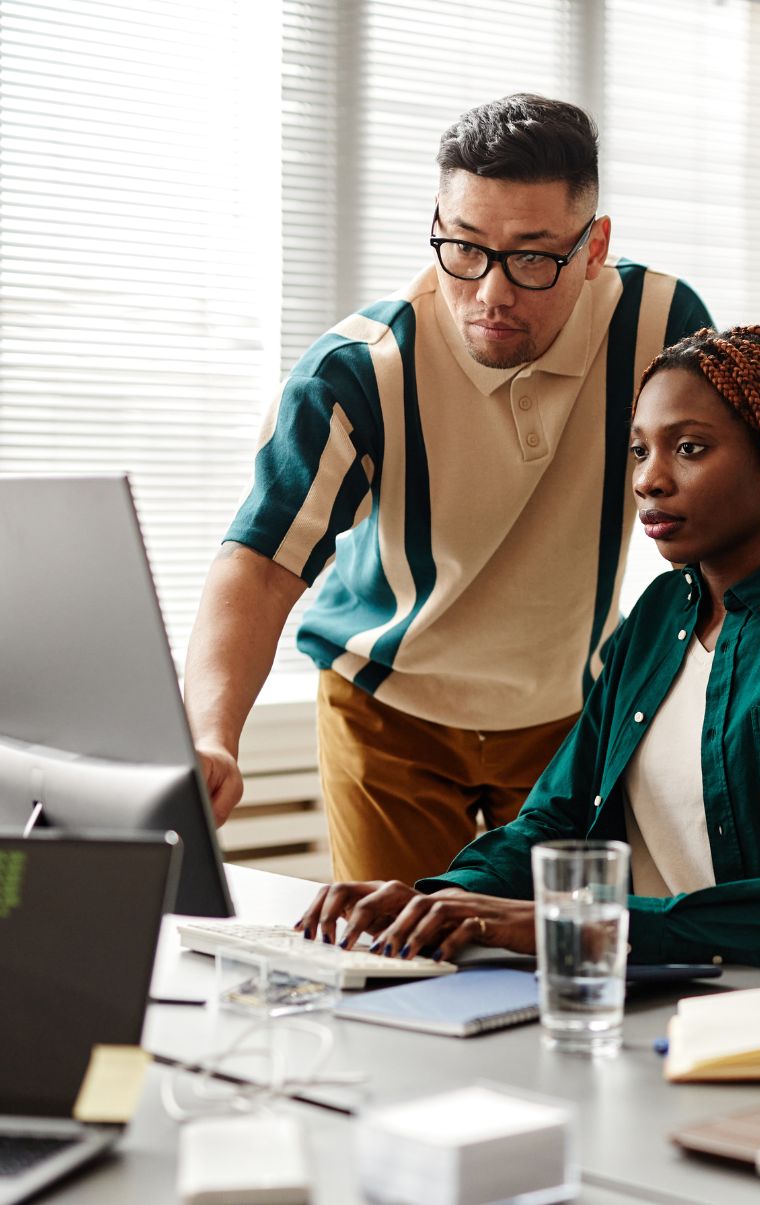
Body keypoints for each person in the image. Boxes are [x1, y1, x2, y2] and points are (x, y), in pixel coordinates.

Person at [184, 93, 711, 883]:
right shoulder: (359, 371)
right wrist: (211, 733)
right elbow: (259, 564)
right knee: (399, 966)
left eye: (533, 257)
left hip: (568, 716)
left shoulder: (658, 322)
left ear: (595, 244)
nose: (491, 292)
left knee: (553, 961)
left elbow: (727, 508)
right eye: (463, 247)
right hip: (389, 714)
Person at [299, 325, 760, 990]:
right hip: (658, 999)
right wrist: (438, 898)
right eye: (640, 450)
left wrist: (580, 923)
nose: (649, 479)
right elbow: (560, 819)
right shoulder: (658, 614)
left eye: (690, 448)